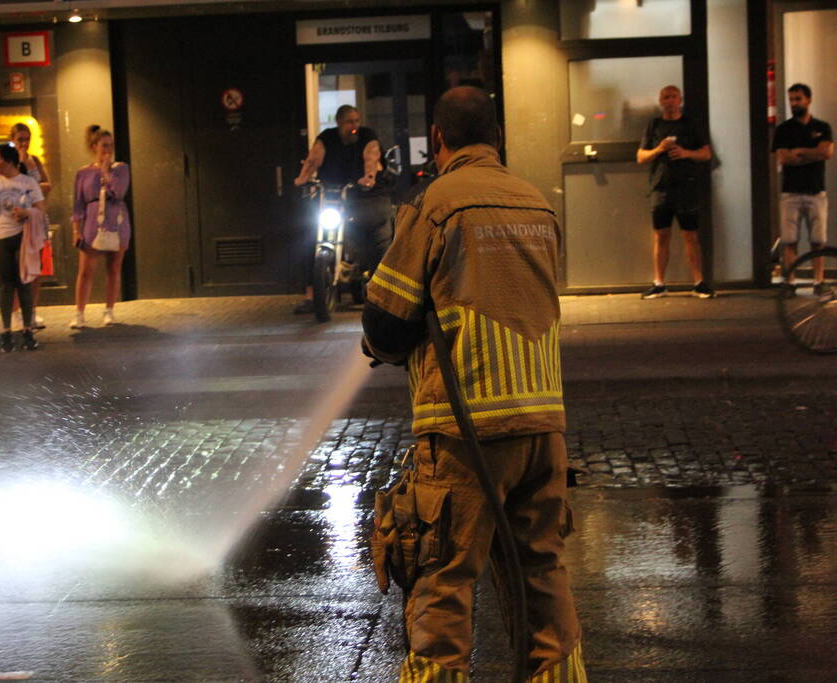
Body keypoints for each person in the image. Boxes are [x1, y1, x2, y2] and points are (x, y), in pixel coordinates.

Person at [362, 86, 586, 682]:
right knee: (540, 570)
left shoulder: (435, 204)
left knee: (443, 576)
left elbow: (386, 320)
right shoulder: (537, 203)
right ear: (497, 137)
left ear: (438, 138)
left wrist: (379, 348)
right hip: (544, 427)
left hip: (467, 430)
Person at [293, 104, 392, 313]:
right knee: (308, 236)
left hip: (363, 196)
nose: (354, 126)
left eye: (357, 121)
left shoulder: (367, 136)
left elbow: (371, 156)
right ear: (339, 123)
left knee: (377, 238)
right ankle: (311, 295)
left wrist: (370, 177)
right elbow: (314, 159)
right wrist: (302, 179)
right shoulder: (327, 137)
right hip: (332, 197)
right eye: (349, 122)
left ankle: (380, 291)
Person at [637, 85, 715, 299]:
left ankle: (698, 282)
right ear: (660, 101)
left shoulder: (691, 124)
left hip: (686, 188)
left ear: (680, 99)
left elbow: (706, 154)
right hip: (661, 189)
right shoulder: (654, 125)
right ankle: (659, 283)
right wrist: (659, 149)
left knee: (691, 235)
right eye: (665, 97)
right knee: (661, 235)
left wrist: (685, 152)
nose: (669, 100)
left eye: (673, 96)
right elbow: (641, 157)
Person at [0, 144, 46, 352]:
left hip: (22, 235)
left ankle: (28, 330)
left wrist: (27, 213)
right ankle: (6, 331)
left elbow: (40, 210)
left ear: (9, 161)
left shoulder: (27, 182)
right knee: (5, 284)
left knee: (24, 282)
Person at [772, 83, 834, 295]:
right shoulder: (783, 130)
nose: (794, 103)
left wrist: (799, 152)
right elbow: (783, 157)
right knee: (789, 240)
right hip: (790, 192)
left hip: (816, 191)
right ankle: (790, 282)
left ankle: (819, 282)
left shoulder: (823, 127)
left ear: (808, 99)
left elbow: (826, 153)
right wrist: (811, 153)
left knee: (818, 241)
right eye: (791, 99)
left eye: (798, 99)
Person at [70, 125, 131, 328]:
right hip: (92, 221)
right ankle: (79, 313)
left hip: (116, 219)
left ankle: (109, 310)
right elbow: (78, 204)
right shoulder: (83, 173)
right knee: (86, 270)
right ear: (94, 146)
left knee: (114, 268)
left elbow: (119, 192)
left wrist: (106, 172)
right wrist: (76, 230)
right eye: (104, 145)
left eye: (111, 145)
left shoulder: (120, 169)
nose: (108, 149)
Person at [8, 122, 52, 332]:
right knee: (19, 269)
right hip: (17, 222)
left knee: (37, 268)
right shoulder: (9, 162)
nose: (24, 143)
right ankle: (17, 313)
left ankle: (32, 311)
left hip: (36, 218)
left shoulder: (35, 160)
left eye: (27, 139)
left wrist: (32, 189)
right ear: (13, 140)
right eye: (20, 139)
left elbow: (48, 185)